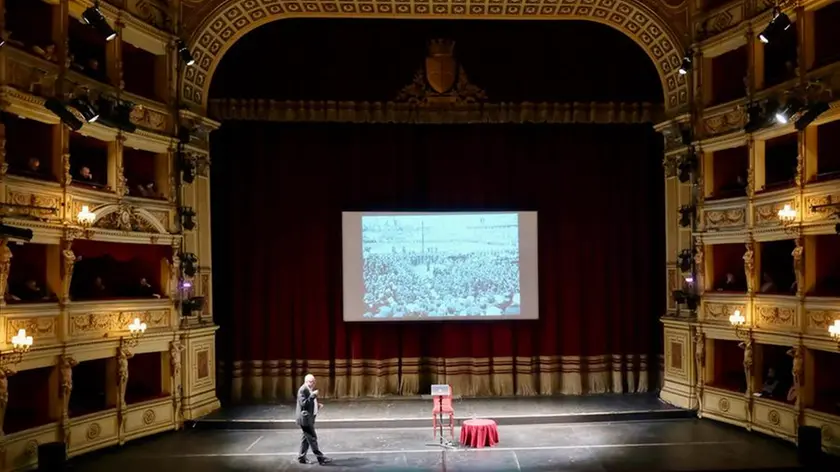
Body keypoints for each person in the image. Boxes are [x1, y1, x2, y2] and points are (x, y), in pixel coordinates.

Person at [295, 374, 331, 465]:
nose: (313, 383)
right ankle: (320, 458)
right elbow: (303, 404)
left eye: (314, 381)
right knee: (312, 438)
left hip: (309, 418)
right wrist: (313, 396)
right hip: (305, 420)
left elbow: (309, 403)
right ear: (306, 381)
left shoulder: (308, 389)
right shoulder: (303, 390)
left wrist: (317, 406)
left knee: (306, 439)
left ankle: (301, 457)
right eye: (311, 381)